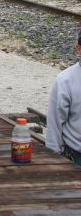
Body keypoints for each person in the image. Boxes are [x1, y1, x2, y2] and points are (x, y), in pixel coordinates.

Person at [46, 31, 81, 167]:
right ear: (79, 49)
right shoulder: (65, 80)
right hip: (76, 155)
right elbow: (54, 122)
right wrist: (53, 159)